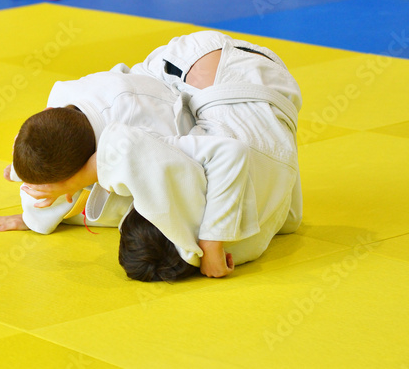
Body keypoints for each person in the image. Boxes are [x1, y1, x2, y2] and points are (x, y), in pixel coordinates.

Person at [93, 31, 303, 281]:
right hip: (208, 63)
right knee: (121, 125)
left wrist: (213, 248)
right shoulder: (190, 180)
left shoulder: (246, 247)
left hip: (279, 89)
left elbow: (291, 222)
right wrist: (211, 242)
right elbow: (120, 142)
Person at [0, 65, 195, 233]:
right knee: (41, 158)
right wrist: (21, 163)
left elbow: (172, 179)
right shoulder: (63, 94)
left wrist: (33, 218)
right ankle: (31, 179)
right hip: (125, 96)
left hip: (179, 136)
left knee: (145, 220)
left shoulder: (138, 135)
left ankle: (44, 205)